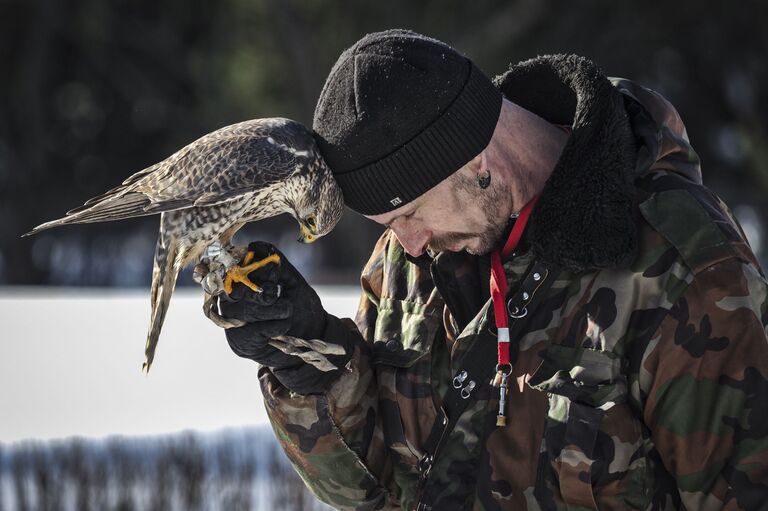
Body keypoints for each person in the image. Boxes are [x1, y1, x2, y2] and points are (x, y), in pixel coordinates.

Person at [216, 29, 768, 510]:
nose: (406, 244)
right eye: (387, 224)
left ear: (478, 162)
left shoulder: (684, 269)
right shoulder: (413, 254)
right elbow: (376, 490)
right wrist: (311, 366)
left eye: (409, 214)